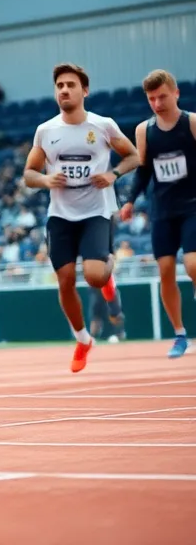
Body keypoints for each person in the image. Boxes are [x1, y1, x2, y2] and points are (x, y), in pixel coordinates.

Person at [23, 63, 139, 373]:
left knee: (95, 276)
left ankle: (106, 264)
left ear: (84, 91)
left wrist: (113, 174)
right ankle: (83, 338)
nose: (64, 90)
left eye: (70, 85)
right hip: (60, 216)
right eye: (59, 85)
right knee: (65, 280)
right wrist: (46, 180)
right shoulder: (45, 131)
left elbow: (134, 155)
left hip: (95, 212)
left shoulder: (103, 125)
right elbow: (29, 174)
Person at [121, 69, 196, 359]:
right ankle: (180, 334)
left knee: (193, 264)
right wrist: (129, 201)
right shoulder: (144, 130)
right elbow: (144, 171)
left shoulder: (191, 123)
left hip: (192, 205)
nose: (157, 103)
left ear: (175, 93)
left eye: (162, 96)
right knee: (165, 271)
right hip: (162, 210)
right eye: (151, 99)